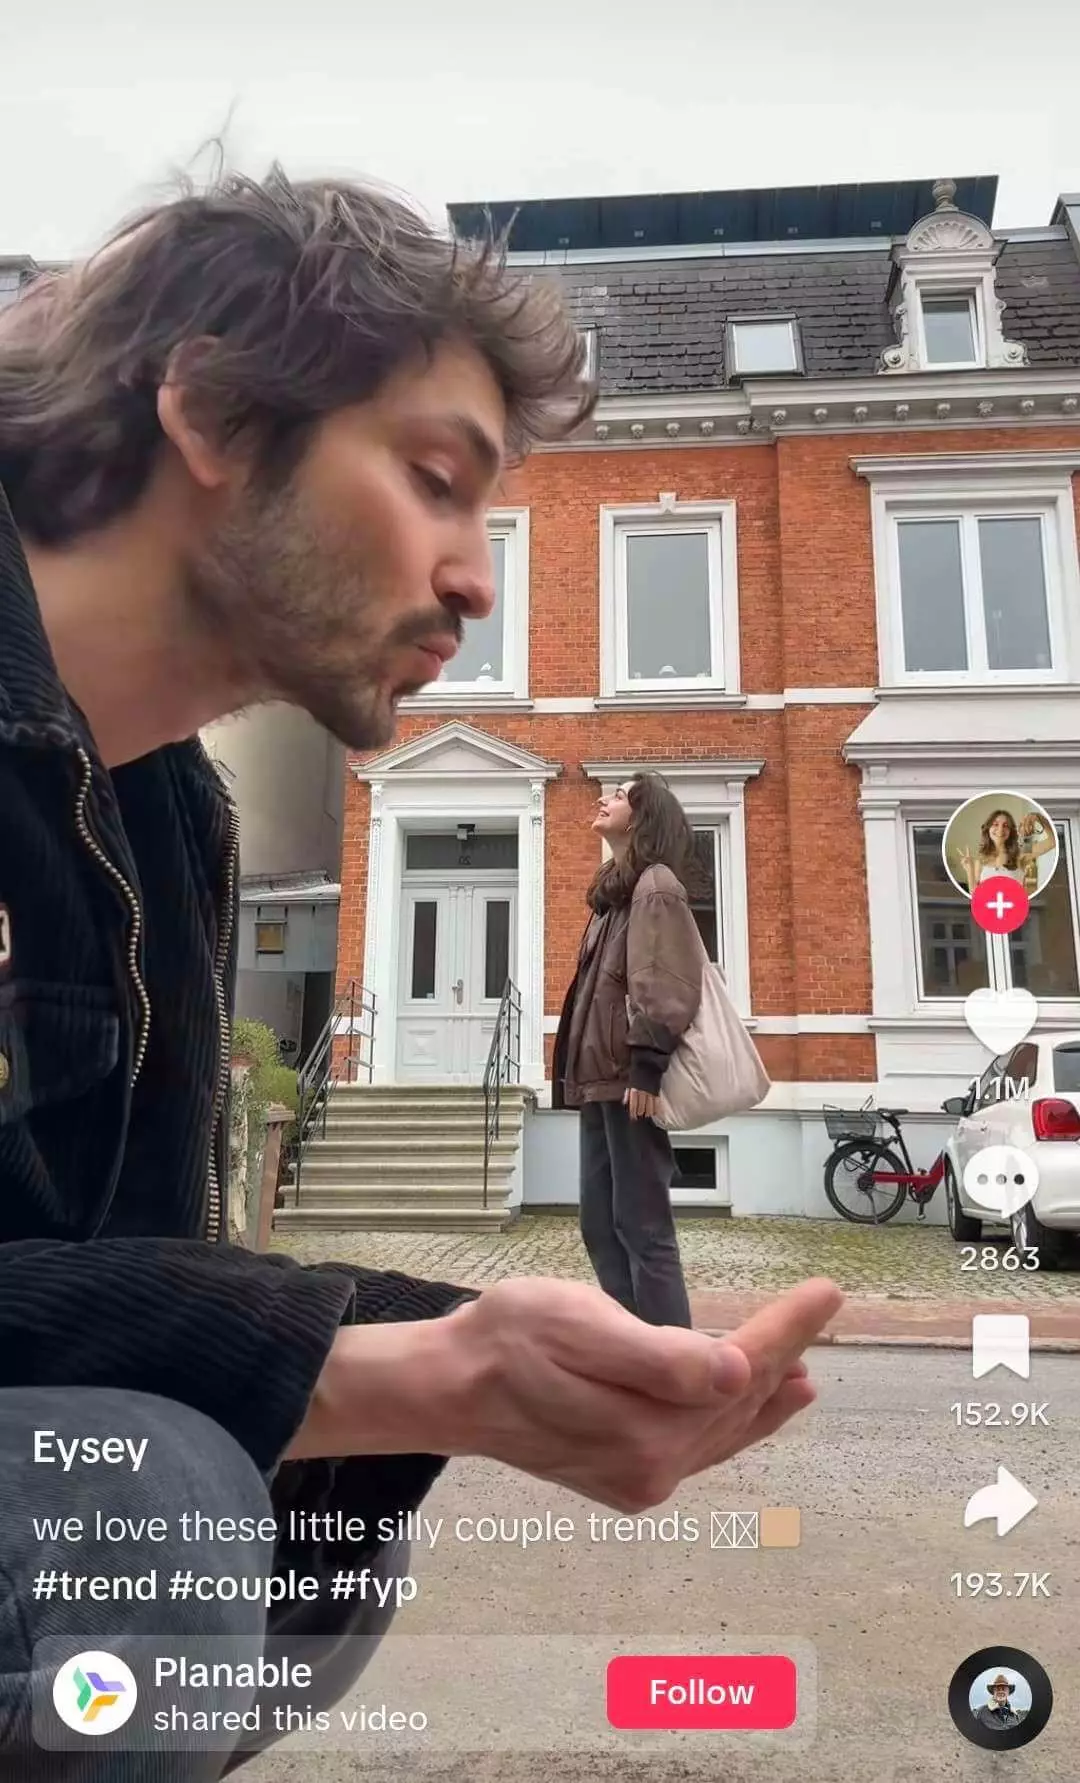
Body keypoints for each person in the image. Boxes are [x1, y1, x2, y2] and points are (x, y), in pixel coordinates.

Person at [0, 166, 842, 1777]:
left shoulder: (169, 808)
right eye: (437, 480)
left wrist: (445, 1357)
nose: (479, 577)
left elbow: (84, 1279)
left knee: (312, 1524)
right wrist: (387, 1355)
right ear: (215, 411)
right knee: (149, 1506)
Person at [553, 774, 707, 1328]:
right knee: (600, 1224)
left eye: (618, 795)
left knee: (643, 1227)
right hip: (600, 1081)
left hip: (630, 1082)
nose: (602, 799)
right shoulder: (613, 894)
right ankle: (633, 1350)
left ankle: (675, 1364)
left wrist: (647, 1066)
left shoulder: (656, 886)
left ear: (642, 817)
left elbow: (663, 982)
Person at [958, 808, 1055, 897]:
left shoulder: (1021, 853)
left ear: (1010, 831)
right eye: (995, 824)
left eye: (1005, 826)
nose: (1000, 829)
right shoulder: (980, 860)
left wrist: (1038, 817)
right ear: (988, 829)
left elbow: (1053, 841)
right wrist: (969, 870)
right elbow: (976, 897)